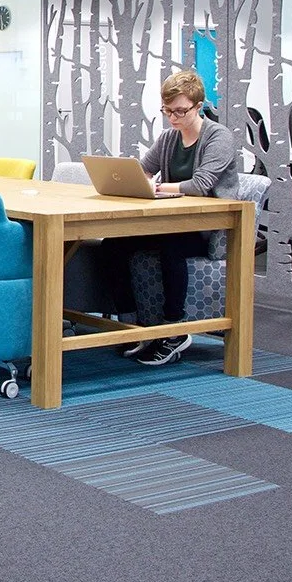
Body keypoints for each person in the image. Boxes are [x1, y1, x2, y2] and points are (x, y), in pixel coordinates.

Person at [115, 69, 240, 366]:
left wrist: (156, 186)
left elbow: (201, 184)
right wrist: (133, 180)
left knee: (171, 245)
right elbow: (143, 169)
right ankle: (133, 326)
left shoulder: (219, 137)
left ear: (198, 107)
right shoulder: (170, 138)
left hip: (210, 228)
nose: (173, 117)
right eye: (167, 110)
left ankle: (175, 330)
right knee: (114, 244)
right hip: (172, 220)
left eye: (181, 111)